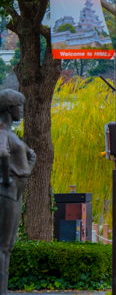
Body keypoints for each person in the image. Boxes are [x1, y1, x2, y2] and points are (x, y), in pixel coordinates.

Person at [0, 89, 34, 295]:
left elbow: (29, 156)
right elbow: (2, 154)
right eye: (19, 106)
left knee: (7, 246)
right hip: (7, 193)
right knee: (3, 247)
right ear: (9, 108)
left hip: (14, 193)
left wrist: (26, 169)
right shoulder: (3, 132)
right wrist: (6, 178)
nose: (22, 110)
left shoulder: (11, 133)